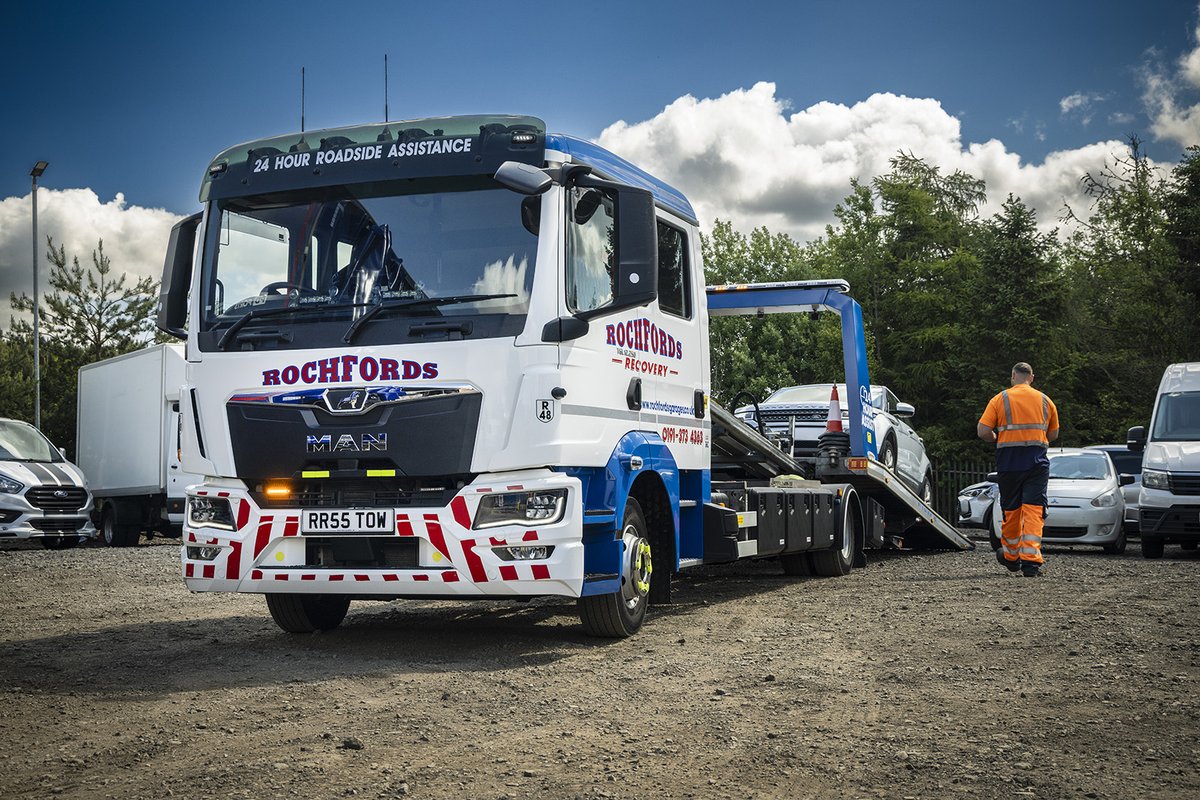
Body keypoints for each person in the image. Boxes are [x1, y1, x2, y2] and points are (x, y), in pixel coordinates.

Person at [977, 362, 1059, 577]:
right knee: (1033, 510)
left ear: (1013, 375)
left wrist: (996, 437)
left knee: (1011, 510)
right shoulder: (1045, 401)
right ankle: (1031, 562)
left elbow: (983, 431)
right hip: (1036, 463)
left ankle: (1012, 557)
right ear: (1031, 377)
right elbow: (1053, 435)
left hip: (1009, 464)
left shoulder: (1000, 399)